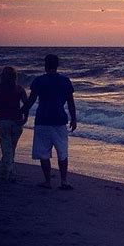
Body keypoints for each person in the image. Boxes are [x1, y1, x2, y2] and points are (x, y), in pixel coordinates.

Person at [22, 54, 77, 190]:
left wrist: (21, 111)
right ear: (57, 65)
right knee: (62, 152)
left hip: (43, 119)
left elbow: (32, 100)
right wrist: (74, 118)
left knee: (43, 153)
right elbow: (71, 102)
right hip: (59, 120)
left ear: (45, 65)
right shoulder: (65, 81)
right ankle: (64, 181)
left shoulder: (39, 81)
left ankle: (47, 181)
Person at [0, 66, 28, 182]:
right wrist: (25, 119)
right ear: (15, 77)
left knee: (6, 149)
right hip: (17, 121)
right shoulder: (19, 89)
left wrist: (0, 107)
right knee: (11, 148)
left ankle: (8, 172)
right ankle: (4, 171)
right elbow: (26, 105)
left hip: (3, 121)